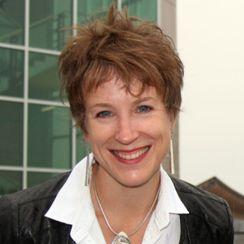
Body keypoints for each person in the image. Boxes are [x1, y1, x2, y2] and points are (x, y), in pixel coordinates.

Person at [0, 5, 233, 244]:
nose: (126, 134)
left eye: (143, 108)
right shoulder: (16, 223)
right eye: (104, 113)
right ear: (84, 127)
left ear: (171, 115)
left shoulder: (211, 220)